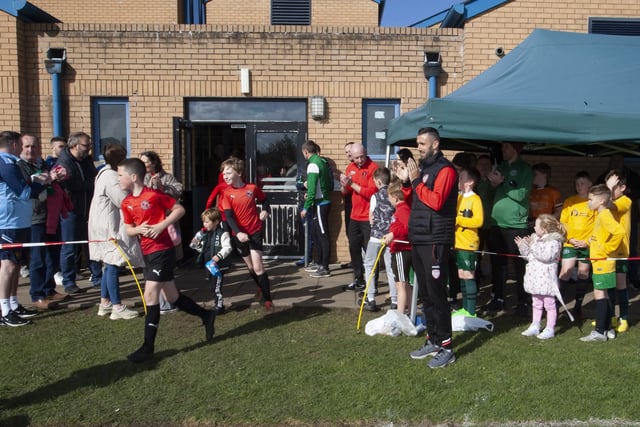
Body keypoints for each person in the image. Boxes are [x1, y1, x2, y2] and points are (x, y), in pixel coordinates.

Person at [118, 158, 215, 363]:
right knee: (172, 296)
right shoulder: (126, 202)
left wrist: (161, 226)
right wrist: (139, 230)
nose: (118, 179)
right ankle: (206, 316)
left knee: (150, 294)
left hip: (162, 251)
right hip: (147, 253)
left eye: (120, 175)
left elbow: (179, 210)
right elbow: (128, 229)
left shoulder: (153, 195)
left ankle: (147, 347)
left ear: (133, 177)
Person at [402, 127, 458, 369]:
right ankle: (433, 340)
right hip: (419, 237)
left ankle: (447, 347)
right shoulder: (423, 169)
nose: (419, 147)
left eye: (423, 143)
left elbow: (435, 201)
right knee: (425, 294)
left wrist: (415, 181)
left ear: (435, 144)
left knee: (437, 295)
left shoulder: (446, 170)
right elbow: (413, 199)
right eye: (418, 143)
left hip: (436, 238)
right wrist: (406, 182)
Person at [0, 131, 50, 326]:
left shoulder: (10, 163)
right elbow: (24, 192)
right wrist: (46, 181)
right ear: (13, 145)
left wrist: (36, 179)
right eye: (22, 145)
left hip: (19, 221)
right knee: (8, 265)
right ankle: (4, 310)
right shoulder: (6, 163)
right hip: (8, 222)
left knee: (16, 264)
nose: (23, 149)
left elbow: (23, 185)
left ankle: (13, 304)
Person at [89, 144, 143, 320]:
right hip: (108, 226)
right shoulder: (111, 177)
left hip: (102, 224)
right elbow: (123, 201)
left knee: (108, 264)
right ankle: (117, 307)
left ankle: (105, 303)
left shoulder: (103, 173)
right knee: (113, 263)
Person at [16, 133, 68, 310]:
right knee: (38, 258)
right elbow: (30, 188)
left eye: (34, 146)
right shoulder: (19, 166)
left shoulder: (41, 163)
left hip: (50, 215)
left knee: (52, 254)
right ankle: (37, 295)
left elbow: (49, 180)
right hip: (34, 217)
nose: (31, 150)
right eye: (27, 146)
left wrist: (56, 176)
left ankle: (49, 289)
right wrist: (49, 179)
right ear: (20, 148)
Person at [219, 157, 274, 311]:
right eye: (224, 173)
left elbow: (265, 201)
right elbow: (228, 217)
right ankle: (261, 287)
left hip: (255, 230)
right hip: (239, 235)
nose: (225, 175)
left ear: (239, 172)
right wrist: (237, 233)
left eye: (228, 172)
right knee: (250, 267)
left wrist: (265, 210)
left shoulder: (252, 188)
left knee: (258, 266)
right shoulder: (226, 193)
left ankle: (268, 299)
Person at [484, 142, 533, 315]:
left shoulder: (525, 169)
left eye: (506, 147)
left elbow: (520, 194)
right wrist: (492, 183)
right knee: (498, 264)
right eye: (502, 147)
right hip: (497, 224)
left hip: (516, 225)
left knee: (520, 266)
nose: (502, 151)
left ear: (515, 149)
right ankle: (498, 299)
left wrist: (502, 183)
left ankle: (523, 302)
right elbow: (490, 194)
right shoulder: (501, 167)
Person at [580, 184, 624, 342]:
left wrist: (606, 248)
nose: (588, 202)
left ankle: (599, 331)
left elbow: (619, 232)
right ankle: (607, 328)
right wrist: (593, 241)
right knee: (603, 294)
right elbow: (603, 235)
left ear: (601, 201)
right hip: (600, 260)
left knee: (599, 294)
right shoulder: (601, 215)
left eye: (590, 199)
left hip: (603, 262)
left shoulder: (605, 214)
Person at [56, 131, 100, 294]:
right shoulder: (64, 162)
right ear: (74, 146)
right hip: (71, 211)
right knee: (70, 247)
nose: (89, 148)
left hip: (88, 208)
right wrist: (91, 183)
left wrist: (91, 183)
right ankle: (68, 280)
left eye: (89, 145)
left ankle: (97, 276)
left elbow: (94, 178)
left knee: (92, 244)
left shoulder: (86, 160)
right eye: (86, 145)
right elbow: (72, 185)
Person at [140, 150, 184, 313]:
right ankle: (159, 302)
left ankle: (165, 300)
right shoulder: (141, 178)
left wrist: (162, 187)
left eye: (145, 162)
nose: (143, 165)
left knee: (166, 264)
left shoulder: (167, 177)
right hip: (147, 227)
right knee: (153, 265)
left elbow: (178, 190)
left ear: (154, 162)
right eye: (142, 162)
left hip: (166, 226)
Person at [517, 214, 567, 340]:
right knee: (536, 303)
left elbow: (546, 256)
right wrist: (523, 246)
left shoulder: (554, 242)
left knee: (549, 304)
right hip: (535, 279)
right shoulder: (536, 239)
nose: (533, 227)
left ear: (544, 228)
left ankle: (550, 328)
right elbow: (529, 256)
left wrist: (532, 245)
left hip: (546, 280)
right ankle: (535, 325)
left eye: (536, 225)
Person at [340, 143, 378, 291]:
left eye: (362, 157)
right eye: (356, 158)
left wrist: (352, 184)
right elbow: (346, 192)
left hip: (368, 217)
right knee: (353, 248)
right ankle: (358, 279)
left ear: (365, 153)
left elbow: (371, 192)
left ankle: (372, 284)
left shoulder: (373, 168)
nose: (359, 160)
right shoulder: (351, 168)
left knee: (370, 251)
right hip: (354, 216)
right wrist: (344, 185)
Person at [558, 171, 595, 320]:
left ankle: (578, 306)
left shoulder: (593, 202)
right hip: (570, 243)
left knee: (583, 273)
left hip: (586, 245)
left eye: (582, 183)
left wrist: (587, 242)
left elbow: (598, 225)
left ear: (589, 184)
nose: (579, 187)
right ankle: (556, 305)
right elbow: (562, 223)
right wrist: (570, 238)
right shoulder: (569, 201)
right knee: (565, 272)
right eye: (577, 184)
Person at [360, 167, 396, 311]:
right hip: (390, 237)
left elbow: (371, 217)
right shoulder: (394, 195)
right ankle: (394, 300)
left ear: (378, 181)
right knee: (390, 268)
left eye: (374, 180)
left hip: (376, 237)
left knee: (369, 266)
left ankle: (371, 298)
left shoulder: (375, 196)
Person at [452, 168, 484, 318]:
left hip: (469, 244)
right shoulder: (459, 198)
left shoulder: (475, 199)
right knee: (461, 274)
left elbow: (478, 221)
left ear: (470, 182)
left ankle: (471, 311)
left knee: (469, 274)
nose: (459, 181)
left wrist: (458, 220)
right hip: (458, 243)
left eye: (462, 178)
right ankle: (464, 308)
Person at [300, 140, 333, 278]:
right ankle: (319, 263)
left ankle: (324, 267)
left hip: (321, 204)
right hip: (321, 202)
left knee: (323, 235)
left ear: (305, 152)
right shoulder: (322, 161)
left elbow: (312, 189)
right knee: (318, 234)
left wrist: (306, 208)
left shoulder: (313, 164)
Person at [604, 170, 632, 333]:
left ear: (622, 187)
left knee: (620, 284)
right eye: (610, 187)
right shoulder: (610, 198)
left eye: (614, 187)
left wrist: (607, 188)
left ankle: (624, 318)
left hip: (620, 250)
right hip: (606, 250)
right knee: (609, 284)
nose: (611, 191)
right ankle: (611, 317)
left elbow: (608, 204)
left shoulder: (625, 201)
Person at [194, 208, 232, 314]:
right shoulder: (205, 234)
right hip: (209, 265)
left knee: (216, 286)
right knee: (211, 286)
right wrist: (197, 244)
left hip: (219, 266)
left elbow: (227, 247)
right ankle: (217, 304)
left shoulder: (222, 233)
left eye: (207, 222)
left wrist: (219, 256)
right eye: (203, 222)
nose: (204, 224)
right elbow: (203, 249)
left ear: (216, 222)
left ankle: (219, 306)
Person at [381, 181, 412, 315]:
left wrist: (393, 235)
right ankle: (410, 311)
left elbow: (408, 227)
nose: (388, 200)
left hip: (401, 249)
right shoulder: (400, 210)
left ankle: (400, 313)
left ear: (395, 197)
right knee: (403, 283)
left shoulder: (403, 209)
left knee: (401, 284)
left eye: (389, 197)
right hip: (399, 248)